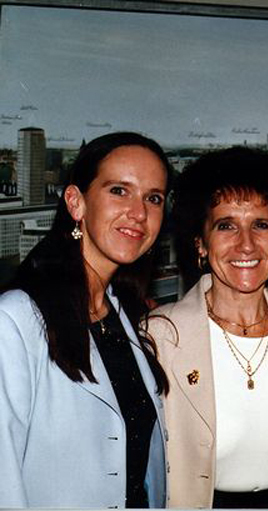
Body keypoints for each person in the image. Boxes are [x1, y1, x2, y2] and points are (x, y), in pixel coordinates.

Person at [0, 132, 170, 508]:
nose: (139, 212)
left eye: (153, 198)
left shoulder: (120, 312)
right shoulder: (14, 322)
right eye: (119, 191)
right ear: (76, 203)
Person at [145, 147, 268, 508]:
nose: (246, 244)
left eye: (261, 224)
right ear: (200, 243)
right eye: (226, 225)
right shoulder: (160, 336)